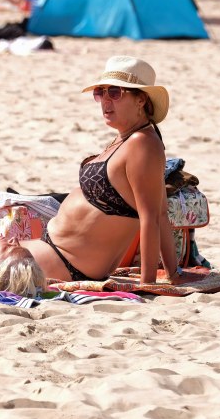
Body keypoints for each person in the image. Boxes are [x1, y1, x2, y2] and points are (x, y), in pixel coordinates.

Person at [18, 56, 179, 286]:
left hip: (67, 260)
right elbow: (161, 211)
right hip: (56, 249)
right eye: (100, 93)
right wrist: (172, 273)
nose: (105, 100)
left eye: (115, 92)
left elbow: (153, 217)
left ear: (141, 99)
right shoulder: (126, 139)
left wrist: (148, 284)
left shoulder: (143, 143)